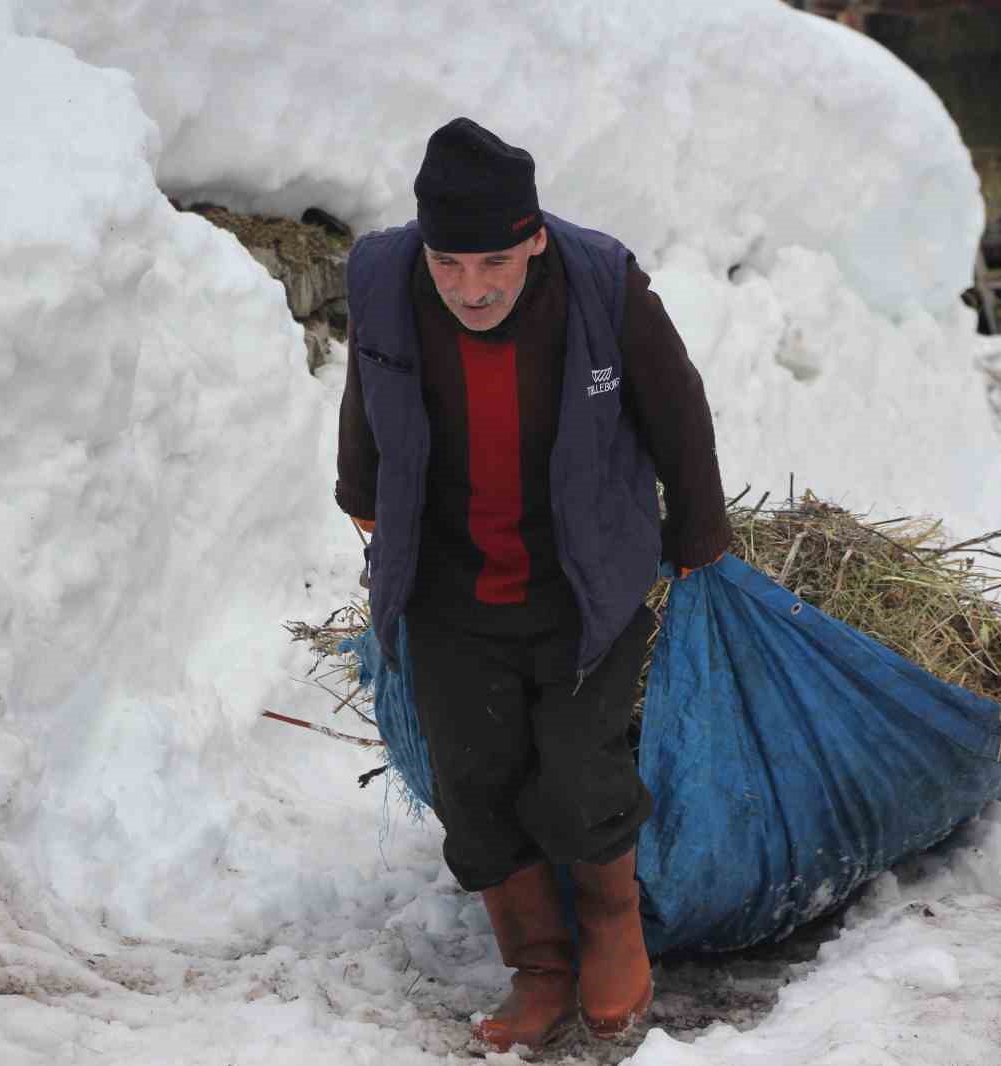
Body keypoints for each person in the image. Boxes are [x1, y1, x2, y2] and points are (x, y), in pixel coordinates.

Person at [335, 117, 729, 1051]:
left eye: (494, 265)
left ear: (535, 240)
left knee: (580, 770)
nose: (471, 289)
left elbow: (676, 406)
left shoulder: (601, 283)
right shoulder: (384, 277)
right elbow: (367, 388)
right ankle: (539, 965)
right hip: (449, 583)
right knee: (474, 781)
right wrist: (362, 494)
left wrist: (699, 533)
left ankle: (612, 930)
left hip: (584, 581)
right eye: (449, 265)